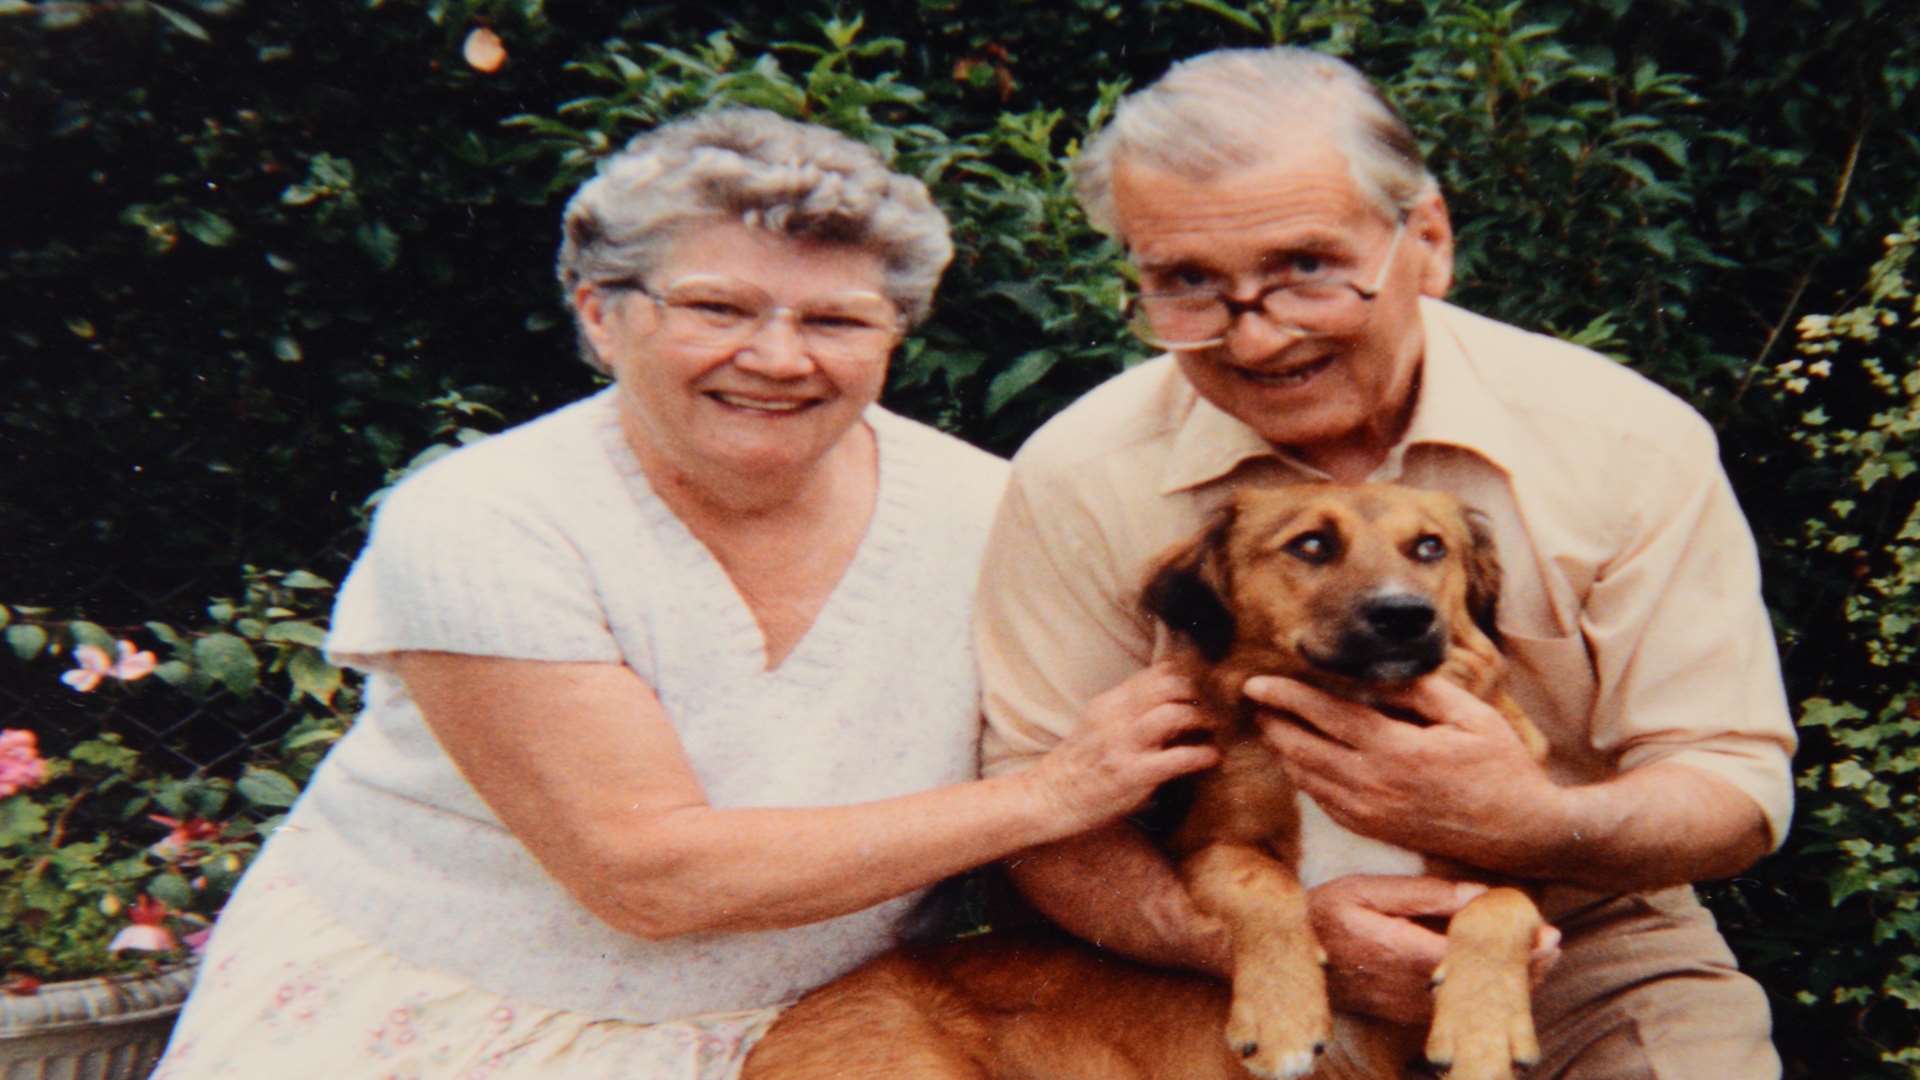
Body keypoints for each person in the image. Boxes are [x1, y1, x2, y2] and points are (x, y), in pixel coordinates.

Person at [154, 108, 1217, 1080]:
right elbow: (647, 877)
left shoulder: (996, 511)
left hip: (844, 1036)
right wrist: (1049, 795)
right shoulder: (485, 518)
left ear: (897, 334)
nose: (776, 358)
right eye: (717, 307)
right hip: (455, 1023)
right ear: (600, 314)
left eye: (838, 321)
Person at [975, 48, 1797, 1076]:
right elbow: (1040, 813)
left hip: (1583, 934)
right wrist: (1263, 941)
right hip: (1212, 946)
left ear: (1429, 241)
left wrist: (1529, 821)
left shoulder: (1625, 443)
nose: (1259, 335)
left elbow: (1730, 785)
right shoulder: (1081, 475)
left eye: (1306, 267)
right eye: (1190, 282)